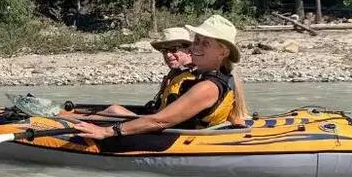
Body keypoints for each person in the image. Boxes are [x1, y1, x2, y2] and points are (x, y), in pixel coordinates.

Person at [75, 15, 248, 139]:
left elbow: (159, 121)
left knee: (114, 111)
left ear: (223, 52)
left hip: (173, 137)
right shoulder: (218, 78)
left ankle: (67, 121)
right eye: (196, 40)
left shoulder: (207, 87)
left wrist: (107, 132)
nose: (195, 47)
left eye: (206, 43)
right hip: (176, 131)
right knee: (113, 110)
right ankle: (66, 117)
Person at [97, 27, 194, 118]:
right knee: (113, 109)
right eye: (164, 51)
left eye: (174, 50)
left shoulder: (194, 77)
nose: (168, 55)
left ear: (189, 50)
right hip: (158, 119)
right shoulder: (175, 73)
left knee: (114, 110)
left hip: (166, 126)